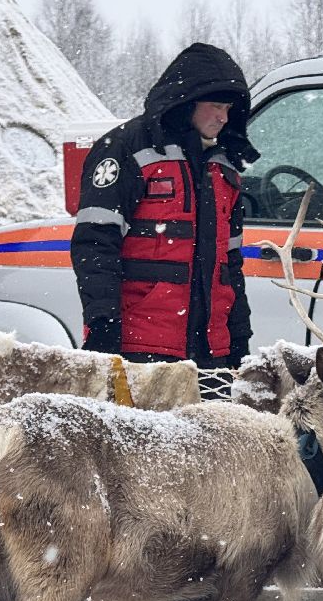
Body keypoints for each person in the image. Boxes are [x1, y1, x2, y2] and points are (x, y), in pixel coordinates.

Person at [72, 42, 257, 368]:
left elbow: (230, 263)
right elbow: (96, 243)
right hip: (141, 350)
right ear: (187, 100)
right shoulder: (126, 148)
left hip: (212, 353)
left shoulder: (224, 165)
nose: (223, 117)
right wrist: (103, 323)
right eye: (215, 105)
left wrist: (238, 335)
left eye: (228, 108)